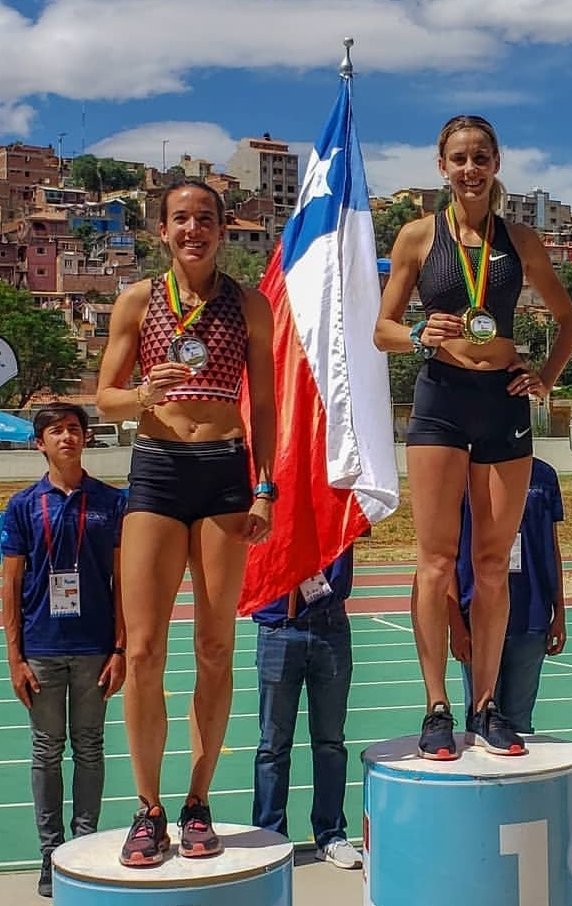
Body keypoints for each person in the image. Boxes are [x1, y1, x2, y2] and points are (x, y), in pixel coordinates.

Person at [374, 114, 572, 760]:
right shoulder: (417, 236)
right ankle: (437, 705)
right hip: (441, 399)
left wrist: (544, 377)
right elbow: (381, 328)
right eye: (459, 158)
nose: (470, 169)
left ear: (497, 164)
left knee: (493, 564)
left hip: (503, 402)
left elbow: (570, 321)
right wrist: (416, 334)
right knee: (435, 561)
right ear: (442, 166)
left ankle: (486, 705)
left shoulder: (520, 240)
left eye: (481, 157)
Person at [95, 179, 276, 866]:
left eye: (205, 218)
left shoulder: (248, 304)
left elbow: (266, 405)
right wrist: (144, 392)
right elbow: (105, 399)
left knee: (215, 645)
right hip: (159, 469)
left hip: (225, 472)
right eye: (180, 219)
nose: (193, 229)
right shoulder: (138, 300)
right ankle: (148, 808)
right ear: (162, 231)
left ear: (223, 229)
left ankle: (198, 800)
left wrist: (266, 488)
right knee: (143, 650)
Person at [1, 403, 127, 897]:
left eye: (74, 429)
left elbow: (122, 582)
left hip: (95, 646)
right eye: (55, 431)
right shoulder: (22, 506)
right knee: (46, 750)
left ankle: (84, 845)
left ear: (86, 437)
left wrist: (120, 647)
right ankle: (51, 855)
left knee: (90, 746)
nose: (67, 437)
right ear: (40, 443)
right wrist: (14, 657)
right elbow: (10, 586)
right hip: (42, 648)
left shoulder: (111, 502)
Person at [251, 546, 361, 870]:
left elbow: (366, 518)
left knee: (330, 742)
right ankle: (270, 837)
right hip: (278, 625)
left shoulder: (339, 508)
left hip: (331, 625)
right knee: (272, 746)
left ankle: (330, 835)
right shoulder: (268, 509)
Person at [449, 457, 566, 733]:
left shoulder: (544, 475)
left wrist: (560, 611)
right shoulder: (464, 475)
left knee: (519, 723)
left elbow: (552, 547)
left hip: (531, 614)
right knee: (480, 718)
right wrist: (455, 623)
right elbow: (447, 553)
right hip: (477, 615)